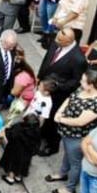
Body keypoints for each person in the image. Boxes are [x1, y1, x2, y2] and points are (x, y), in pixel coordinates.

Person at [48, 69, 97, 193]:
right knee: (67, 154)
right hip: (67, 132)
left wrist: (60, 119)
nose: (80, 82)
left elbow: (80, 122)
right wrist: (59, 112)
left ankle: (70, 188)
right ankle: (62, 173)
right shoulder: (82, 89)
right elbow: (69, 99)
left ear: (91, 85)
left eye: (83, 80)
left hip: (78, 136)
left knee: (75, 162)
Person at [38, 27, 88, 156]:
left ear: (69, 41)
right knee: (42, 113)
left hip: (59, 95)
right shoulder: (56, 44)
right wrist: (39, 78)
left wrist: (57, 86)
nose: (56, 40)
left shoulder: (78, 59)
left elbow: (76, 81)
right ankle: (41, 136)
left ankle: (52, 146)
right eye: (57, 37)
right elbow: (46, 61)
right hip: (44, 86)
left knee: (53, 120)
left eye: (60, 39)